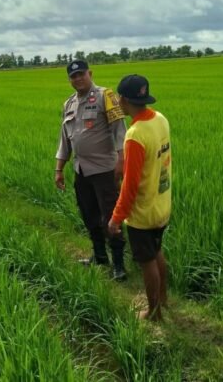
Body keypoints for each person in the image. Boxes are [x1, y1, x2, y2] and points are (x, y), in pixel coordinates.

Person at [55, 59, 128, 281]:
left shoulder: (105, 96)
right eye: (73, 76)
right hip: (82, 170)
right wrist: (59, 168)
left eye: (81, 74)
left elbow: (119, 131)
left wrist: (121, 160)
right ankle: (99, 256)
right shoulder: (69, 104)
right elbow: (65, 140)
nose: (77, 79)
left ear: (90, 73)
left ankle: (119, 264)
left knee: (110, 216)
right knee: (89, 215)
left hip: (105, 169)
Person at [108, 74, 172, 320]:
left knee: (147, 261)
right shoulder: (160, 119)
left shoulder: (135, 135)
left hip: (143, 212)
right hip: (162, 204)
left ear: (124, 99)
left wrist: (116, 218)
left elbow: (130, 185)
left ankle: (154, 312)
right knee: (156, 252)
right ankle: (163, 300)